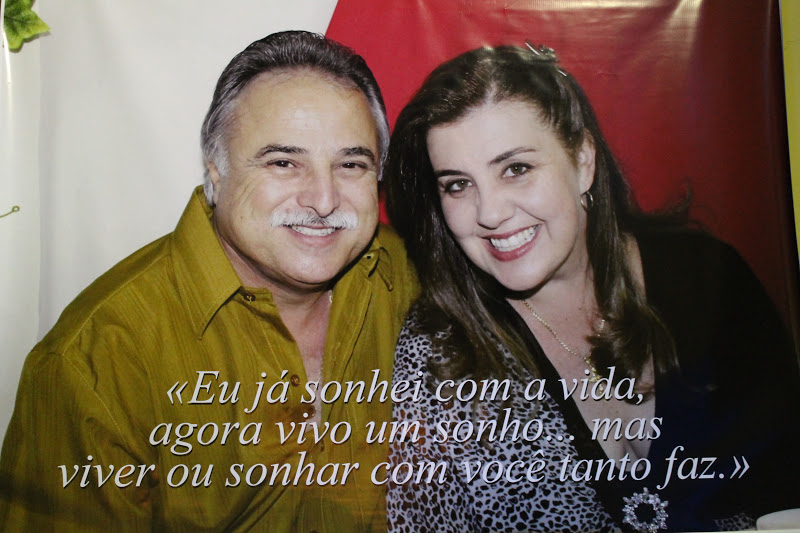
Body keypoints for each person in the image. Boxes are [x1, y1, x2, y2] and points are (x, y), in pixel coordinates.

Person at [0, 31, 416, 531]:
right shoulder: (95, 360)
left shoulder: (411, 278)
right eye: (283, 162)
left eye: (351, 164)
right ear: (215, 172)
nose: (324, 200)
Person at [383, 44, 800, 532]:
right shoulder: (439, 350)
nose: (489, 212)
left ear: (582, 161)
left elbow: (788, 478)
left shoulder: (710, 278)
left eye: (516, 169)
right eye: (457, 184)